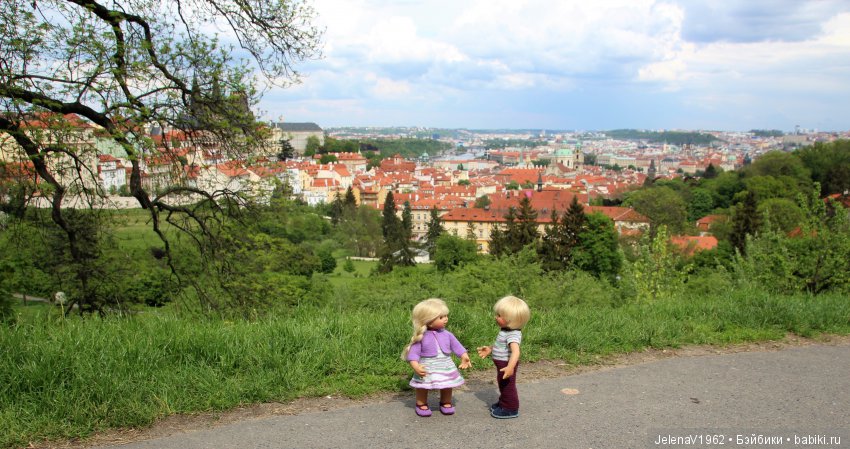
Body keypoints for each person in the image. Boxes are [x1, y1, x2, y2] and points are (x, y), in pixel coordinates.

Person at [402, 298, 472, 417]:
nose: (446, 319)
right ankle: (421, 403)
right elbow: (413, 354)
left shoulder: (447, 334)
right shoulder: (421, 336)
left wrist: (464, 356)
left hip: (445, 365)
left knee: (447, 384)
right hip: (427, 367)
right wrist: (416, 366)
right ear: (428, 321)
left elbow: (457, 346)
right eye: (441, 317)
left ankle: (445, 402)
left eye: (446, 316)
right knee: (423, 386)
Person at [477, 295, 530, 419]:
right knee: (502, 384)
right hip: (502, 364)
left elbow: (515, 352)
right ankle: (503, 403)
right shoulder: (505, 331)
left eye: (500, 316)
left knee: (507, 386)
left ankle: (510, 408)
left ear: (511, 320)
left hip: (507, 365)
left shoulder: (513, 335)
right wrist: (490, 349)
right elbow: (501, 346)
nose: (496, 317)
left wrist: (510, 367)